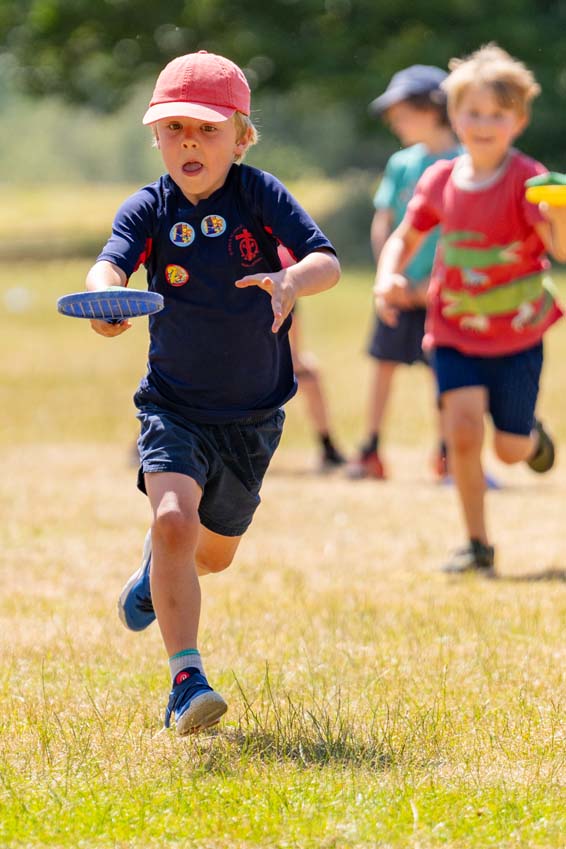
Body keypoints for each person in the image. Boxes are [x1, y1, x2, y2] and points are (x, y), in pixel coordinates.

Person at [86, 50, 340, 734]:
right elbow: (111, 259)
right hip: (173, 406)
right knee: (172, 519)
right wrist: (106, 293)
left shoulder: (260, 196)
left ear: (240, 136)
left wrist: (291, 281)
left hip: (254, 418)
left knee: (211, 552)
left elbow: (326, 260)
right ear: (157, 139)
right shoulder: (149, 205)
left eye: (206, 128)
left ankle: (152, 578)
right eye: (173, 129)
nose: (189, 142)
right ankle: (185, 680)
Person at [374, 43, 566, 574]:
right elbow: (404, 237)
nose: (483, 123)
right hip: (454, 329)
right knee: (461, 431)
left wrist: (560, 215)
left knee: (506, 449)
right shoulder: (438, 179)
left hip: (517, 334)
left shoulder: (529, 179)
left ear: (518, 120)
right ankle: (477, 544)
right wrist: (388, 275)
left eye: (497, 115)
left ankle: (529, 438)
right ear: (452, 116)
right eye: (472, 112)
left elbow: (560, 250)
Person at [348, 65, 460, 480]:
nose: (394, 123)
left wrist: (435, 283)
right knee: (383, 364)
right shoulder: (401, 163)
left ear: (433, 109)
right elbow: (386, 220)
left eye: (402, 113)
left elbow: (462, 233)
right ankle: (370, 450)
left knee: (446, 373)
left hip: (442, 292)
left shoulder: (463, 162)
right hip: (397, 289)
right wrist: (387, 275)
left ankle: (449, 455)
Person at [278, 246, 345, 472]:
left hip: (272, 351)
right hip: (245, 355)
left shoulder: (284, 263)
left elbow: (292, 314)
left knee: (310, 376)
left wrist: (294, 357)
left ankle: (328, 447)